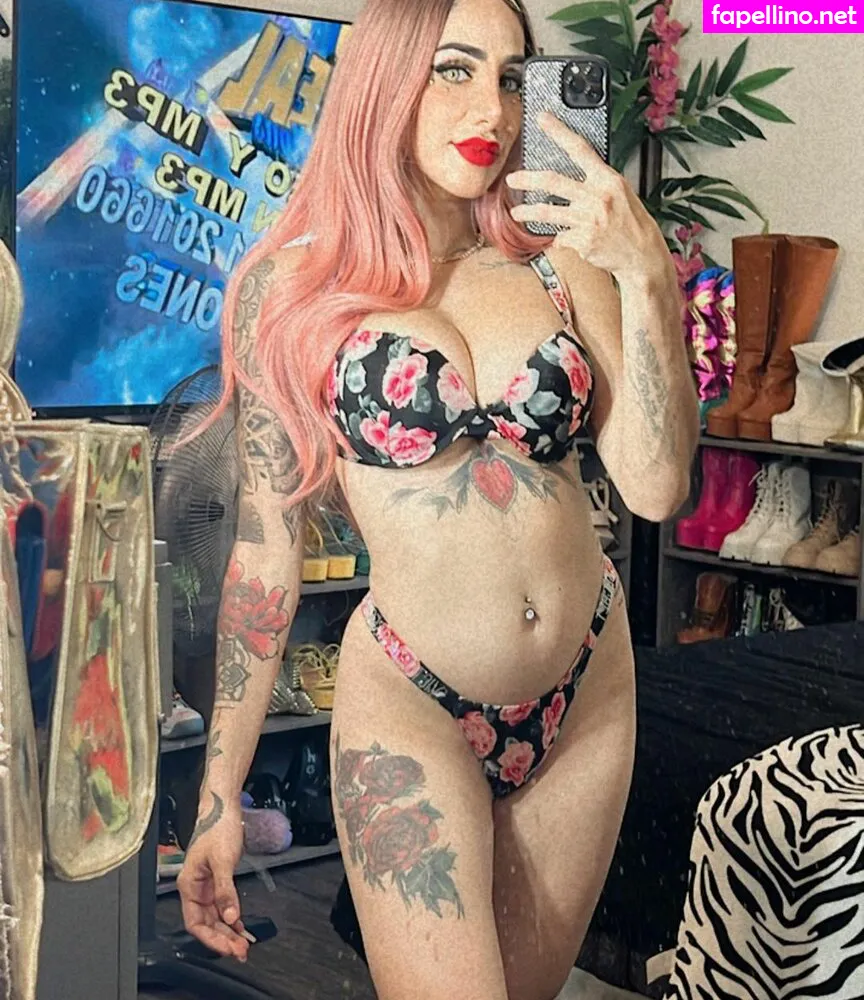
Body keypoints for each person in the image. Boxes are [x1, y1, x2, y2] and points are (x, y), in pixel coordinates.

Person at [176, 0, 699, 996]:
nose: (491, 110)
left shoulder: (560, 263)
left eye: (512, 78)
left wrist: (647, 281)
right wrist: (217, 795)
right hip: (412, 697)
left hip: (588, 685)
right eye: (454, 69)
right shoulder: (291, 291)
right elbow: (265, 552)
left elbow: (656, 485)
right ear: (387, 79)